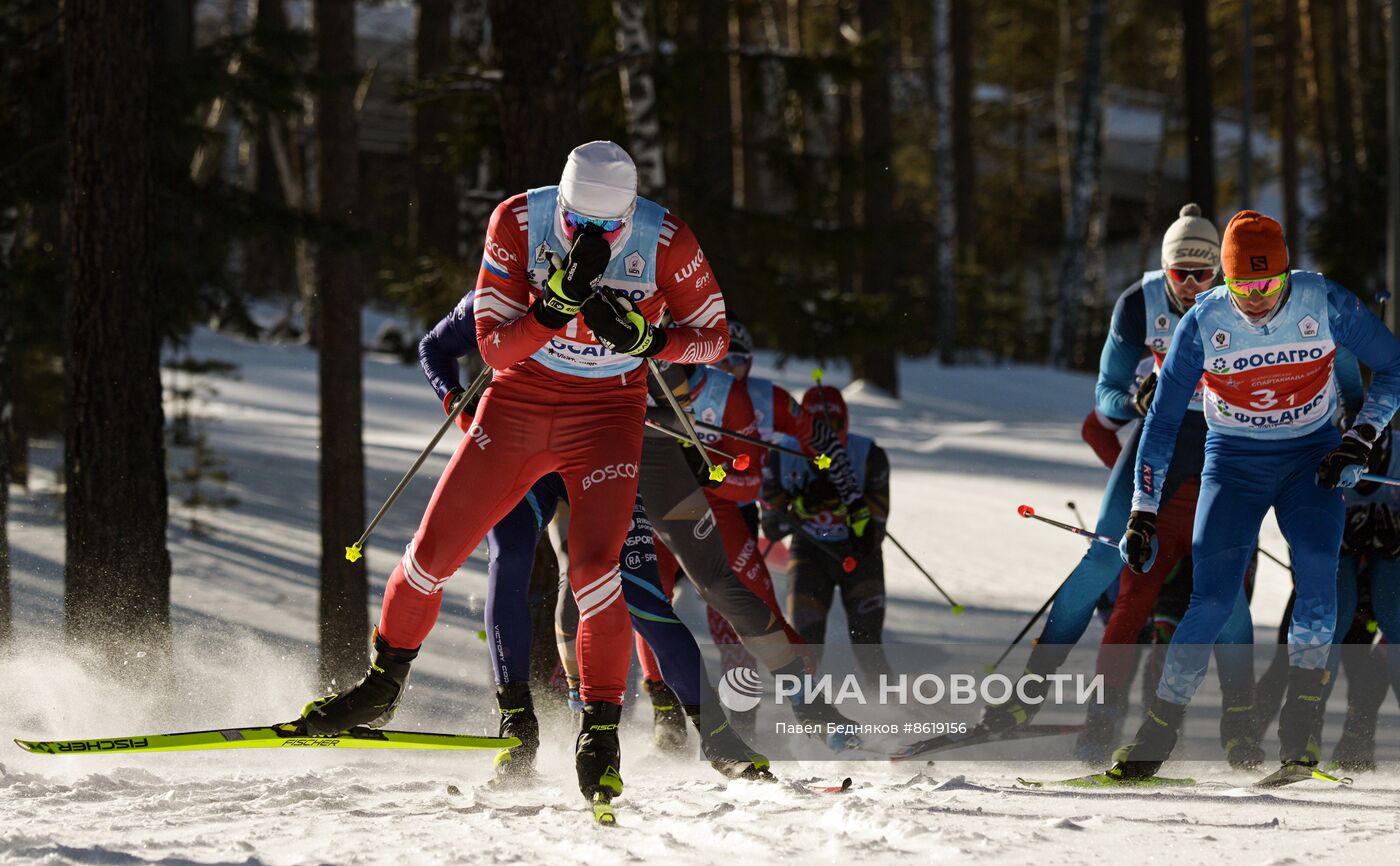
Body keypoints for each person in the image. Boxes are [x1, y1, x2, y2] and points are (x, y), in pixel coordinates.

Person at [296, 141, 730, 808]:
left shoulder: (665, 237)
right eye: (580, 221)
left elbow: (713, 336)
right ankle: (381, 687)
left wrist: (650, 342)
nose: (595, 236)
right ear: (561, 201)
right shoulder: (519, 222)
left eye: (609, 227)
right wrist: (551, 309)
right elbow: (492, 347)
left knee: (595, 572)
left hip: (608, 414)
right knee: (432, 555)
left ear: (630, 214)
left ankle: (601, 731)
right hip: (520, 402)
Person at [413, 291, 768, 783]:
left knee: (644, 601)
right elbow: (433, 347)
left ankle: (719, 738)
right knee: (510, 559)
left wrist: (672, 426)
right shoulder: (505, 292)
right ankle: (517, 730)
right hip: (523, 457)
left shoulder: (630, 301)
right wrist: (457, 402)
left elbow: (675, 392)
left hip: (601, 461)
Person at [1110, 210, 1400, 782]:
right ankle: (1157, 732)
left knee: (1318, 573)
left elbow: (1392, 367)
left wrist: (1360, 437)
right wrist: (1142, 514)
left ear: (1287, 272)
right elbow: (1162, 425)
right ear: (1226, 280)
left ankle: (1301, 727)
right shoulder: (1204, 321)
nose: (1258, 299)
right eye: (1244, 286)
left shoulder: (1325, 302)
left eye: (1270, 284)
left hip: (1308, 460)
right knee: (1212, 600)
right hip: (1234, 463)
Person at [983, 205, 1257, 743]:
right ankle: (1029, 695)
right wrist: (1136, 397)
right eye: (1182, 273)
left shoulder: (1245, 307)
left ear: (1222, 272)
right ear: (1165, 269)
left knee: (1225, 592)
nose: (1194, 286)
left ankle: (1240, 721)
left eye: (1207, 274)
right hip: (1157, 443)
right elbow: (1103, 401)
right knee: (1100, 560)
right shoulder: (1139, 303)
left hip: (1221, 448)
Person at [761, 386, 891, 678]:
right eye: (817, 428)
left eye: (834, 427)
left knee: (867, 643)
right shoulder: (781, 456)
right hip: (809, 554)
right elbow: (771, 529)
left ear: (846, 422)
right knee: (806, 645)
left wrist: (849, 503)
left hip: (860, 557)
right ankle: (808, 713)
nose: (827, 437)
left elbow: (872, 535)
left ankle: (892, 709)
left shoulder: (870, 455)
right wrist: (803, 507)